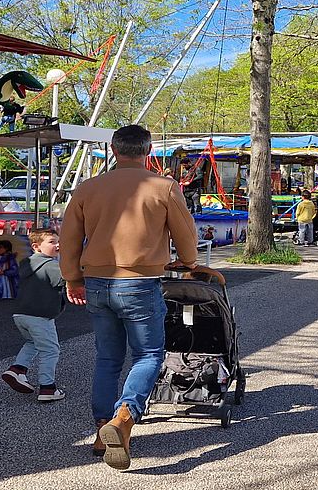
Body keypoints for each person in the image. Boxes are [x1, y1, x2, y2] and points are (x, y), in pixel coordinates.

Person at [60, 124, 199, 471]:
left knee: (107, 358)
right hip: (139, 282)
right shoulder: (163, 187)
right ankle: (124, 417)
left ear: (113, 150)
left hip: (96, 282)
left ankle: (100, 431)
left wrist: (72, 277)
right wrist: (189, 261)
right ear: (148, 151)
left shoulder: (88, 188)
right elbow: (185, 233)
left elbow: (69, 238)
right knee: (148, 355)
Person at [1, 229, 67, 401]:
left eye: (59, 242)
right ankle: (47, 388)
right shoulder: (51, 265)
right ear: (36, 247)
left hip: (20, 314)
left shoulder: (26, 264)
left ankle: (17, 369)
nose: (58, 245)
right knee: (50, 350)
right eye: (52, 242)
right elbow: (64, 279)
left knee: (32, 342)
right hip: (40, 316)